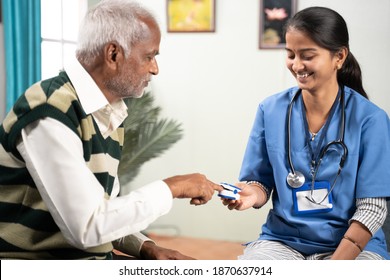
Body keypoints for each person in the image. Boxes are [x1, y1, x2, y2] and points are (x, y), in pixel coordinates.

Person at [0, 0, 222, 260]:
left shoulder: (107, 112)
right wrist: (172, 187)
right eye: (149, 56)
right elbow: (88, 227)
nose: (155, 68)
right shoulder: (50, 111)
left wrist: (146, 247)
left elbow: (104, 212)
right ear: (114, 54)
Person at [222, 6, 390, 260]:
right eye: (290, 54)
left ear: (339, 57)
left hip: (353, 246)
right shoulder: (271, 110)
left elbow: (373, 209)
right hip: (283, 241)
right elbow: (260, 180)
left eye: (307, 55)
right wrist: (251, 194)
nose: (296, 65)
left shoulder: (371, 120)